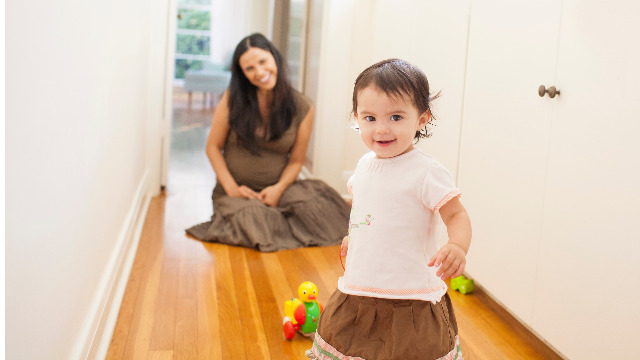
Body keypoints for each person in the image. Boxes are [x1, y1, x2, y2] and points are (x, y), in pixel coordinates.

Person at [308, 59, 472, 360]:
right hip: (361, 285)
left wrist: (457, 245)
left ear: (422, 118)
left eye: (396, 117)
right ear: (356, 117)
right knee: (357, 345)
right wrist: (353, 237)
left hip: (410, 294)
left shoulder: (425, 171)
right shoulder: (364, 166)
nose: (381, 129)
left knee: (406, 349)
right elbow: (366, 211)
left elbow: (456, 214)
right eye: (369, 118)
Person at [186, 33, 350, 252]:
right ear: (242, 74)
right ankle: (279, 220)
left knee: (319, 211)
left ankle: (282, 216)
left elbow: (295, 161)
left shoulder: (303, 107)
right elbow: (213, 147)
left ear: (274, 57)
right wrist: (232, 188)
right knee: (255, 219)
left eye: (262, 62)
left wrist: (278, 189)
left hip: (279, 188)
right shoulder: (232, 99)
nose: (260, 72)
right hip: (238, 191)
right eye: (249, 68)